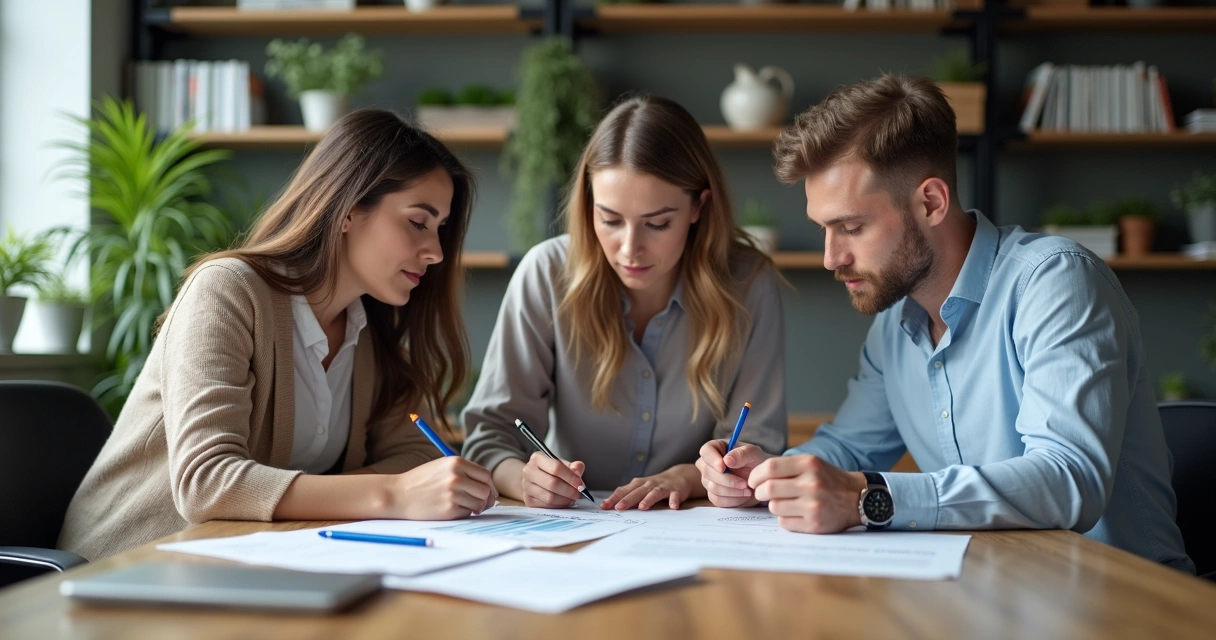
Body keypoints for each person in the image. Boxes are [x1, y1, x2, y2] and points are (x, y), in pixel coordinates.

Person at [696, 74, 1193, 573]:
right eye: (823, 229)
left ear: (930, 201)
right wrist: (765, 475)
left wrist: (869, 497)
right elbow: (846, 448)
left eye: (851, 227)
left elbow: (1068, 481)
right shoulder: (895, 327)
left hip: (1122, 602)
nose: (830, 258)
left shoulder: (1055, 281)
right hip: (995, 594)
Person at [59, 109, 497, 560]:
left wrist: (384, 487)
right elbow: (207, 483)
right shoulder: (227, 291)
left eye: (441, 229)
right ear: (348, 210)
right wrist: (392, 494)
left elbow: (416, 457)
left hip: (244, 567)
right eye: (418, 222)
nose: (437, 253)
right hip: (126, 571)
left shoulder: (370, 327)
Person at [462, 96, 788, 512]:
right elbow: (490, 435)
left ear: (698, 207)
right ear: (588, 204)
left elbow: (756, 442)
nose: (630, 248)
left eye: (657, 223)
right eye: (610, 220)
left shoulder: (749, 284)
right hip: (574, 529)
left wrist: (686, 477)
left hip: (694, 523)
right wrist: (524, 478)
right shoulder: (545, 274)